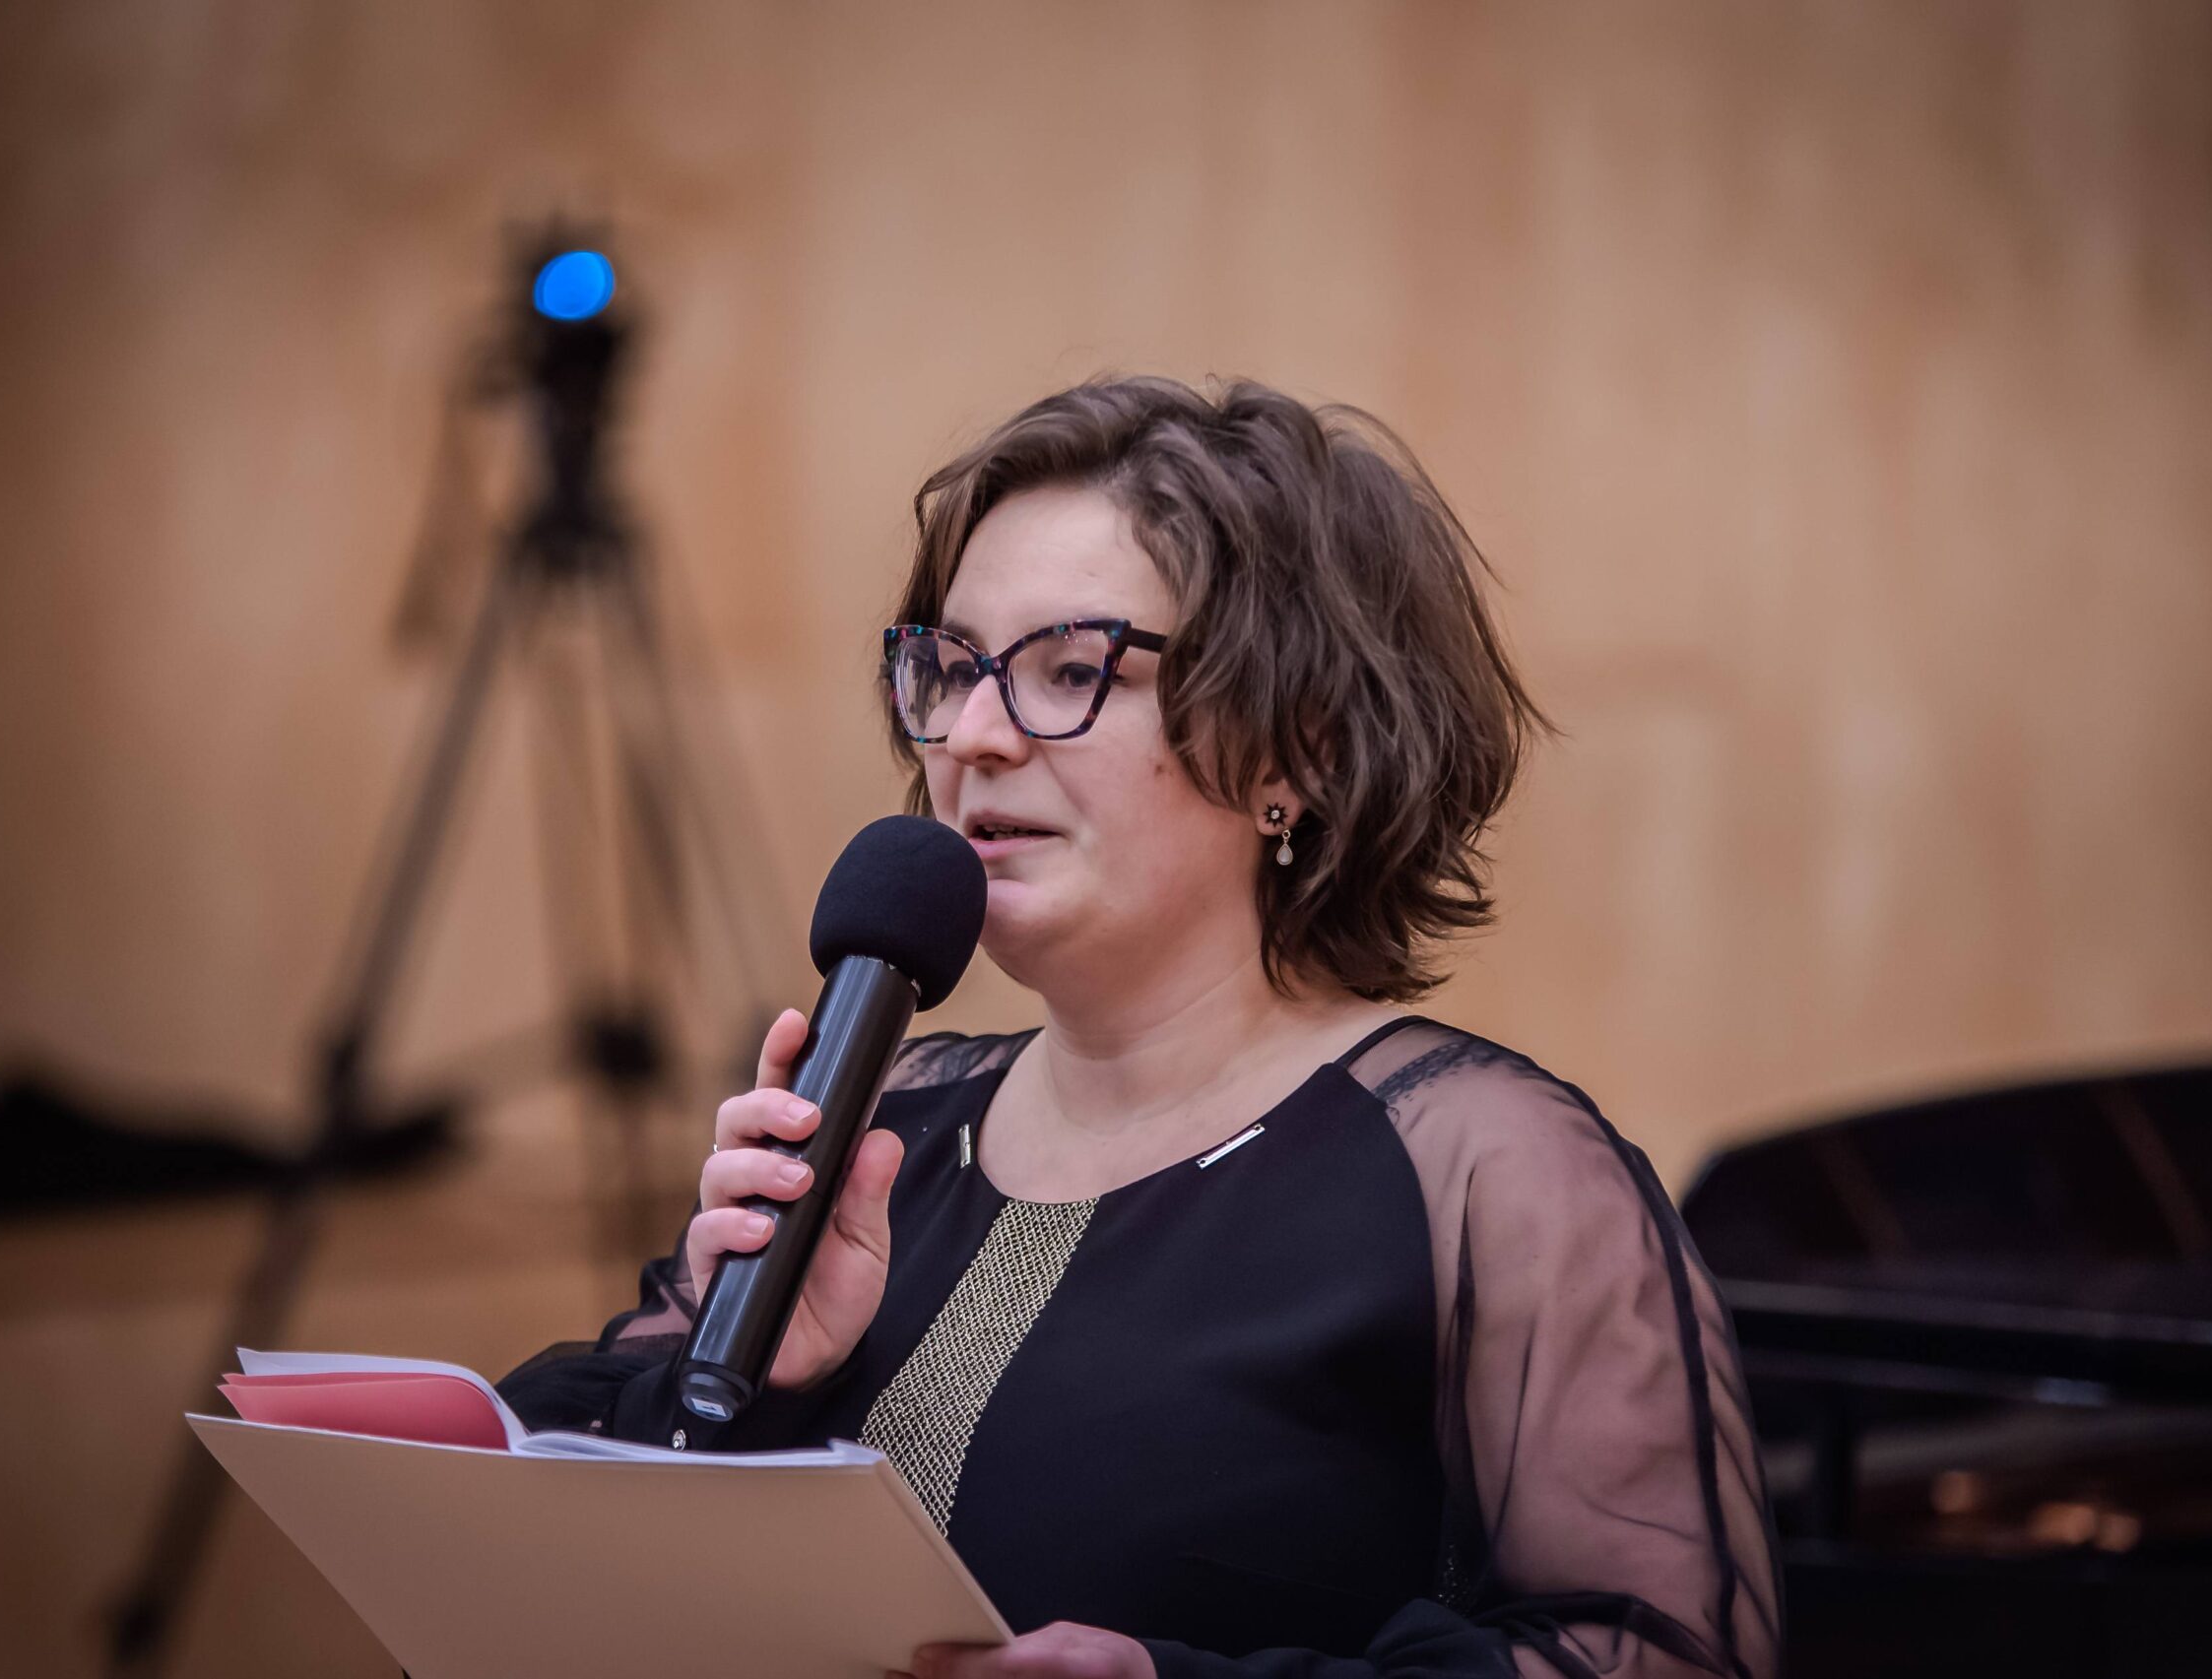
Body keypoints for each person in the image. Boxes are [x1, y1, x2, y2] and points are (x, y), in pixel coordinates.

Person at [499, 377, 1782, 1679]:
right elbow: (534, 1529)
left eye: (1072, 669)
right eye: (952, 669)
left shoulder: (1486, 1170)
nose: (974, 737)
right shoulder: (883, 1125)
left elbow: (1659, 1657)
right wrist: (748, 1384)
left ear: (1300, 752)